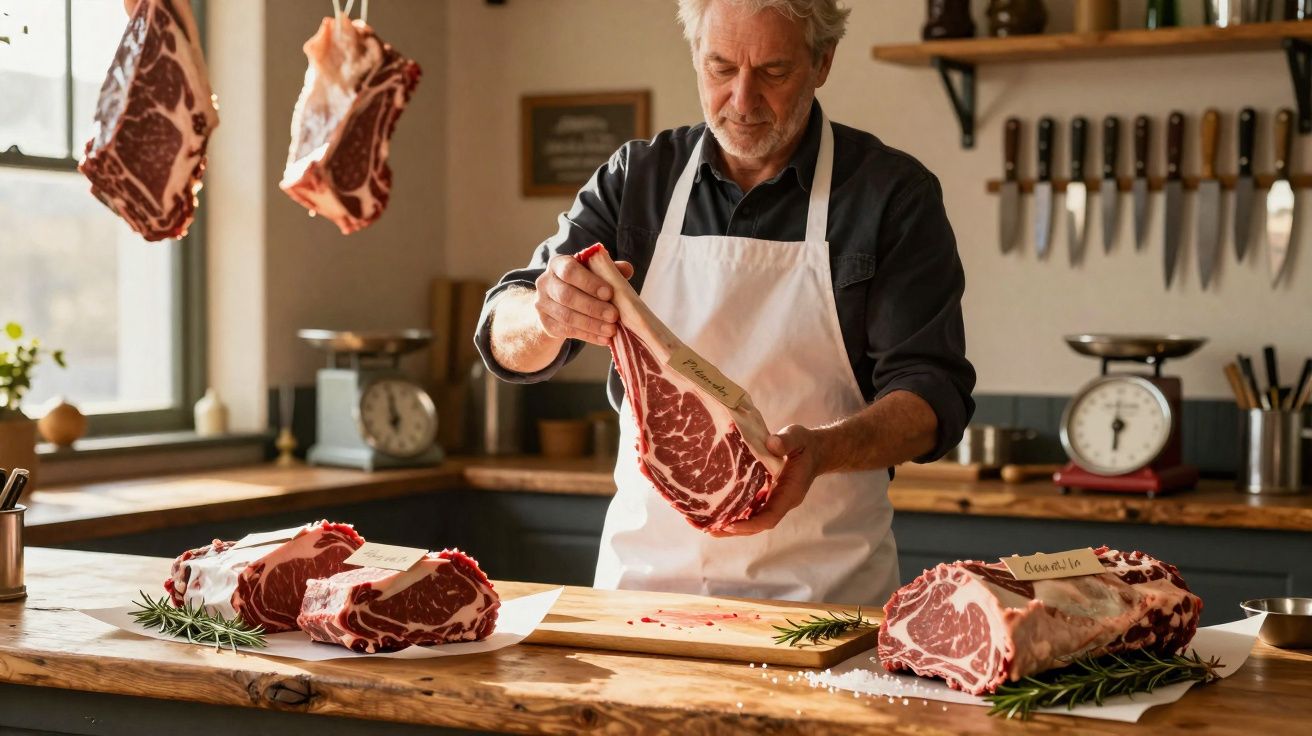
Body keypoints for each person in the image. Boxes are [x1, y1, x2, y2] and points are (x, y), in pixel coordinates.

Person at [475, 0, 975, 606]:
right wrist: (545, 314)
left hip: (823, 599)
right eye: (720, 68)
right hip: (642, 590)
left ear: (822, 62)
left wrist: (822, 451)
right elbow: (506, 335)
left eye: (772, 72)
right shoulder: (638, 180)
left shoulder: (890, 196)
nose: (742, 100)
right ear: (695, 56)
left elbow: (932, 395)